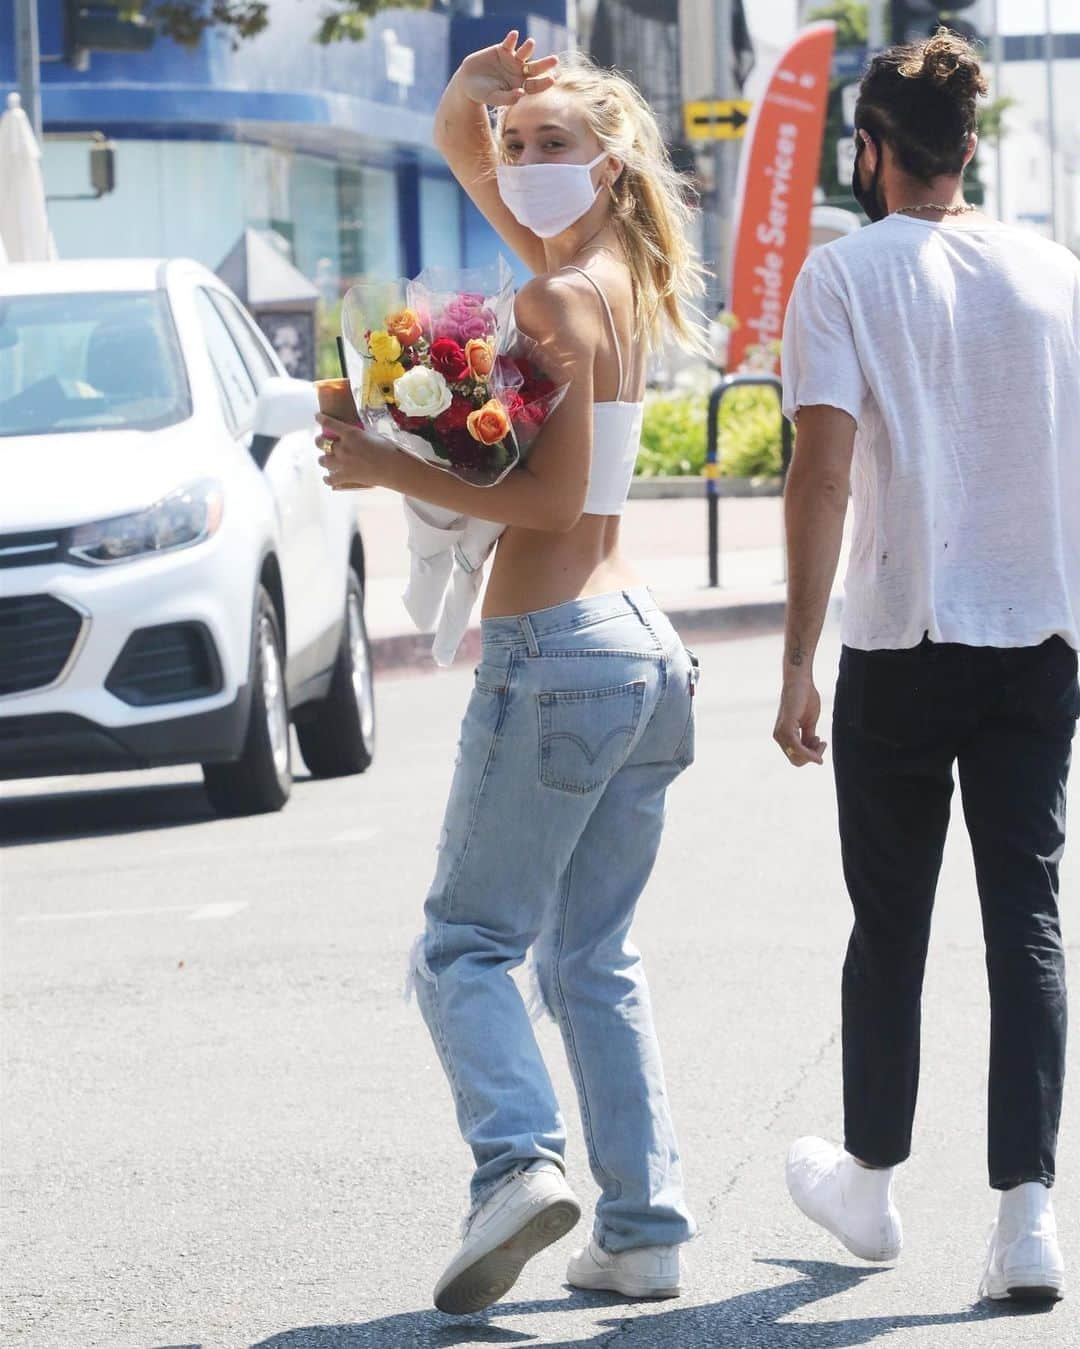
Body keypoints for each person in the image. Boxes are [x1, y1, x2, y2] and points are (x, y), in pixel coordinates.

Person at [314, 32, 706, 1315]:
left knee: (462, 946)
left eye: (554, 147)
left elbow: (542, 499)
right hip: (641, 647)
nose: (522, 163)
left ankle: (517, 1167)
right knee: (593, 957)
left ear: (612, 164)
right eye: (521, 148)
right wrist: (495, 83)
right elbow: (456, 138)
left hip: (557, 652)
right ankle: (643, 1233)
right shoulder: (620, 276)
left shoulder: (552, 298)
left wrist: (390, 469)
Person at [774, 30, 1079, 1303]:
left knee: (891, 920)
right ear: (967, 145)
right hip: (1041, 640)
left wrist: (796, 659)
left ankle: (873, 1185)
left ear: (870, 151)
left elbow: (822, 469)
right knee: (1030, 917)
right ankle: (1027, 1220)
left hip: (902, 639)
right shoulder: (1055, 271)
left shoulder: (843, 274)